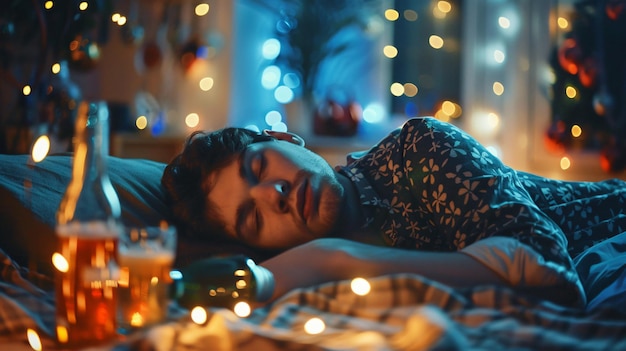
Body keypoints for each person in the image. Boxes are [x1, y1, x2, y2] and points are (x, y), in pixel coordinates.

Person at [161, 117, 626, 307]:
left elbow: (551, 274)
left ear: (286, 140)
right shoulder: (295, 278)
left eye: (259, 166)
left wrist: (340, 261)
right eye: (253, 218)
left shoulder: (418, 149)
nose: (274, 194)